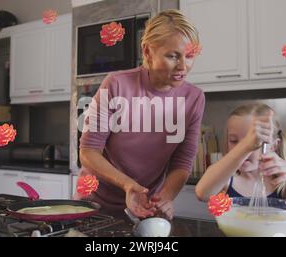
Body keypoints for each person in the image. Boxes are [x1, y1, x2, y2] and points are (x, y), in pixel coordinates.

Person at [74, 9, 205, 220]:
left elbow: (182, 162)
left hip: (144, 208)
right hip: (94, 204)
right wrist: (128, 185)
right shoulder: (116, 84)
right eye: (173, 56)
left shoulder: (194, 98)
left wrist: (165, 198)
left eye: (190, 56)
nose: (183, 66)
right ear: (147, 52)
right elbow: (88, 152)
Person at [195, 103, 286, 231]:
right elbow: (202, 193)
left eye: (255, 142)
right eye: (234, 141)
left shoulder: (284, 183)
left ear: (273, 146)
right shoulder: (226, 179)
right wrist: (245, 147)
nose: (245, 148)